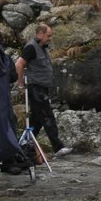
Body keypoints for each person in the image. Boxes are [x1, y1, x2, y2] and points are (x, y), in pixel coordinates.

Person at [16, 22, 69, 159]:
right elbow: (19, 64)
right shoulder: (31, 48)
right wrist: (21, 85)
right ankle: (58, 147)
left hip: (43, 88)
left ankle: (21, 145)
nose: (49, 38)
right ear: (40, 34)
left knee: (36, 120)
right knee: (47, 115)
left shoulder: (42, 47)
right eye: (48, 36)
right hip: (35, 88)